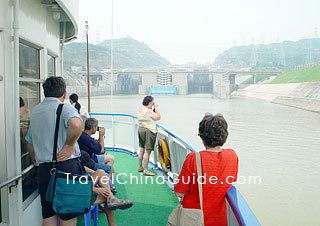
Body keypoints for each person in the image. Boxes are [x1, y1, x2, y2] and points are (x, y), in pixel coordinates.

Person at [26, 76, 84, 226]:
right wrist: (69, 145)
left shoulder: (36, 110)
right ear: (64, 94)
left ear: (45, 92)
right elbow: (77, 125)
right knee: (67, 215)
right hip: (67, 167)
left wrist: (35, 160)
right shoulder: (65, 108)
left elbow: (29, 141)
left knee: (48, 214)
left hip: (44, 170)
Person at [174, 113, 238, 226]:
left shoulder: (193, 158)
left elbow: (179, 192)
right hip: (219, 220)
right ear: (225, 135)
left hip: (193, 218)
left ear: (202, 136)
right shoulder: (232, 156)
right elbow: (230, 180)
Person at [80, 151, 133, 226]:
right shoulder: (68, 161)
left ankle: (111, 198)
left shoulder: (72, 158)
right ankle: (111, 199)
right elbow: (98, 149)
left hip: (82, 187)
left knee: (101, 173)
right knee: (107, 196)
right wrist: (95, 189)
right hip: (75, 194)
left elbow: (83, 168)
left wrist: (96, 175)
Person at [137, 95, 161, 176]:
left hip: (141, 129)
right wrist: (156, 108)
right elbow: (158, 117)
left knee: (141, 149)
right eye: (152, 103)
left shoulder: (141, 109)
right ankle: (146, 170)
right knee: (147, 151)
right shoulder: (148, 111)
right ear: (150, 103)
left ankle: (140, 167)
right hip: (148, 131)